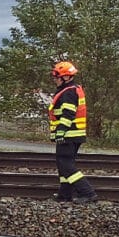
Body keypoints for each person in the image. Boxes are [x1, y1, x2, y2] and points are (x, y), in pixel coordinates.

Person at [49, 61, 97, 203]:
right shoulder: (71, 89)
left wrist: (61, 131)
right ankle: (65, 194)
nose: (55, 80)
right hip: (73, 135)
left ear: (66, 77)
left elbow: (68, 114)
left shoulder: (69, 92)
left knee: (65, 165)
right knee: (64, 164)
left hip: (69, 135)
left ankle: (87, 193)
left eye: (57, 77)